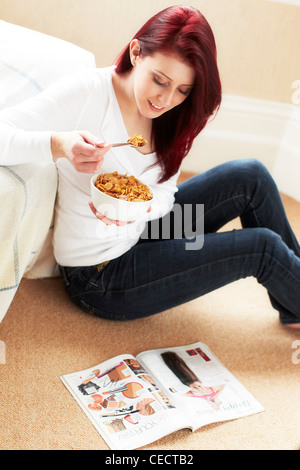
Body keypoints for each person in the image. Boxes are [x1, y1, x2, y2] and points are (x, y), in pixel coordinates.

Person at [0, 6, 299, 327]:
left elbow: (165, 195)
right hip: (99, 273)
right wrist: (58, 144)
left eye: (183, 90)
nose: (165, 99)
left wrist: (135, 210)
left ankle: (293, 302)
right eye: (159, 80)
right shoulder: (88, 92)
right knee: (261, 248)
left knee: (250, 175)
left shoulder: (173, 116)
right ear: (136, 52)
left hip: (144, 229)